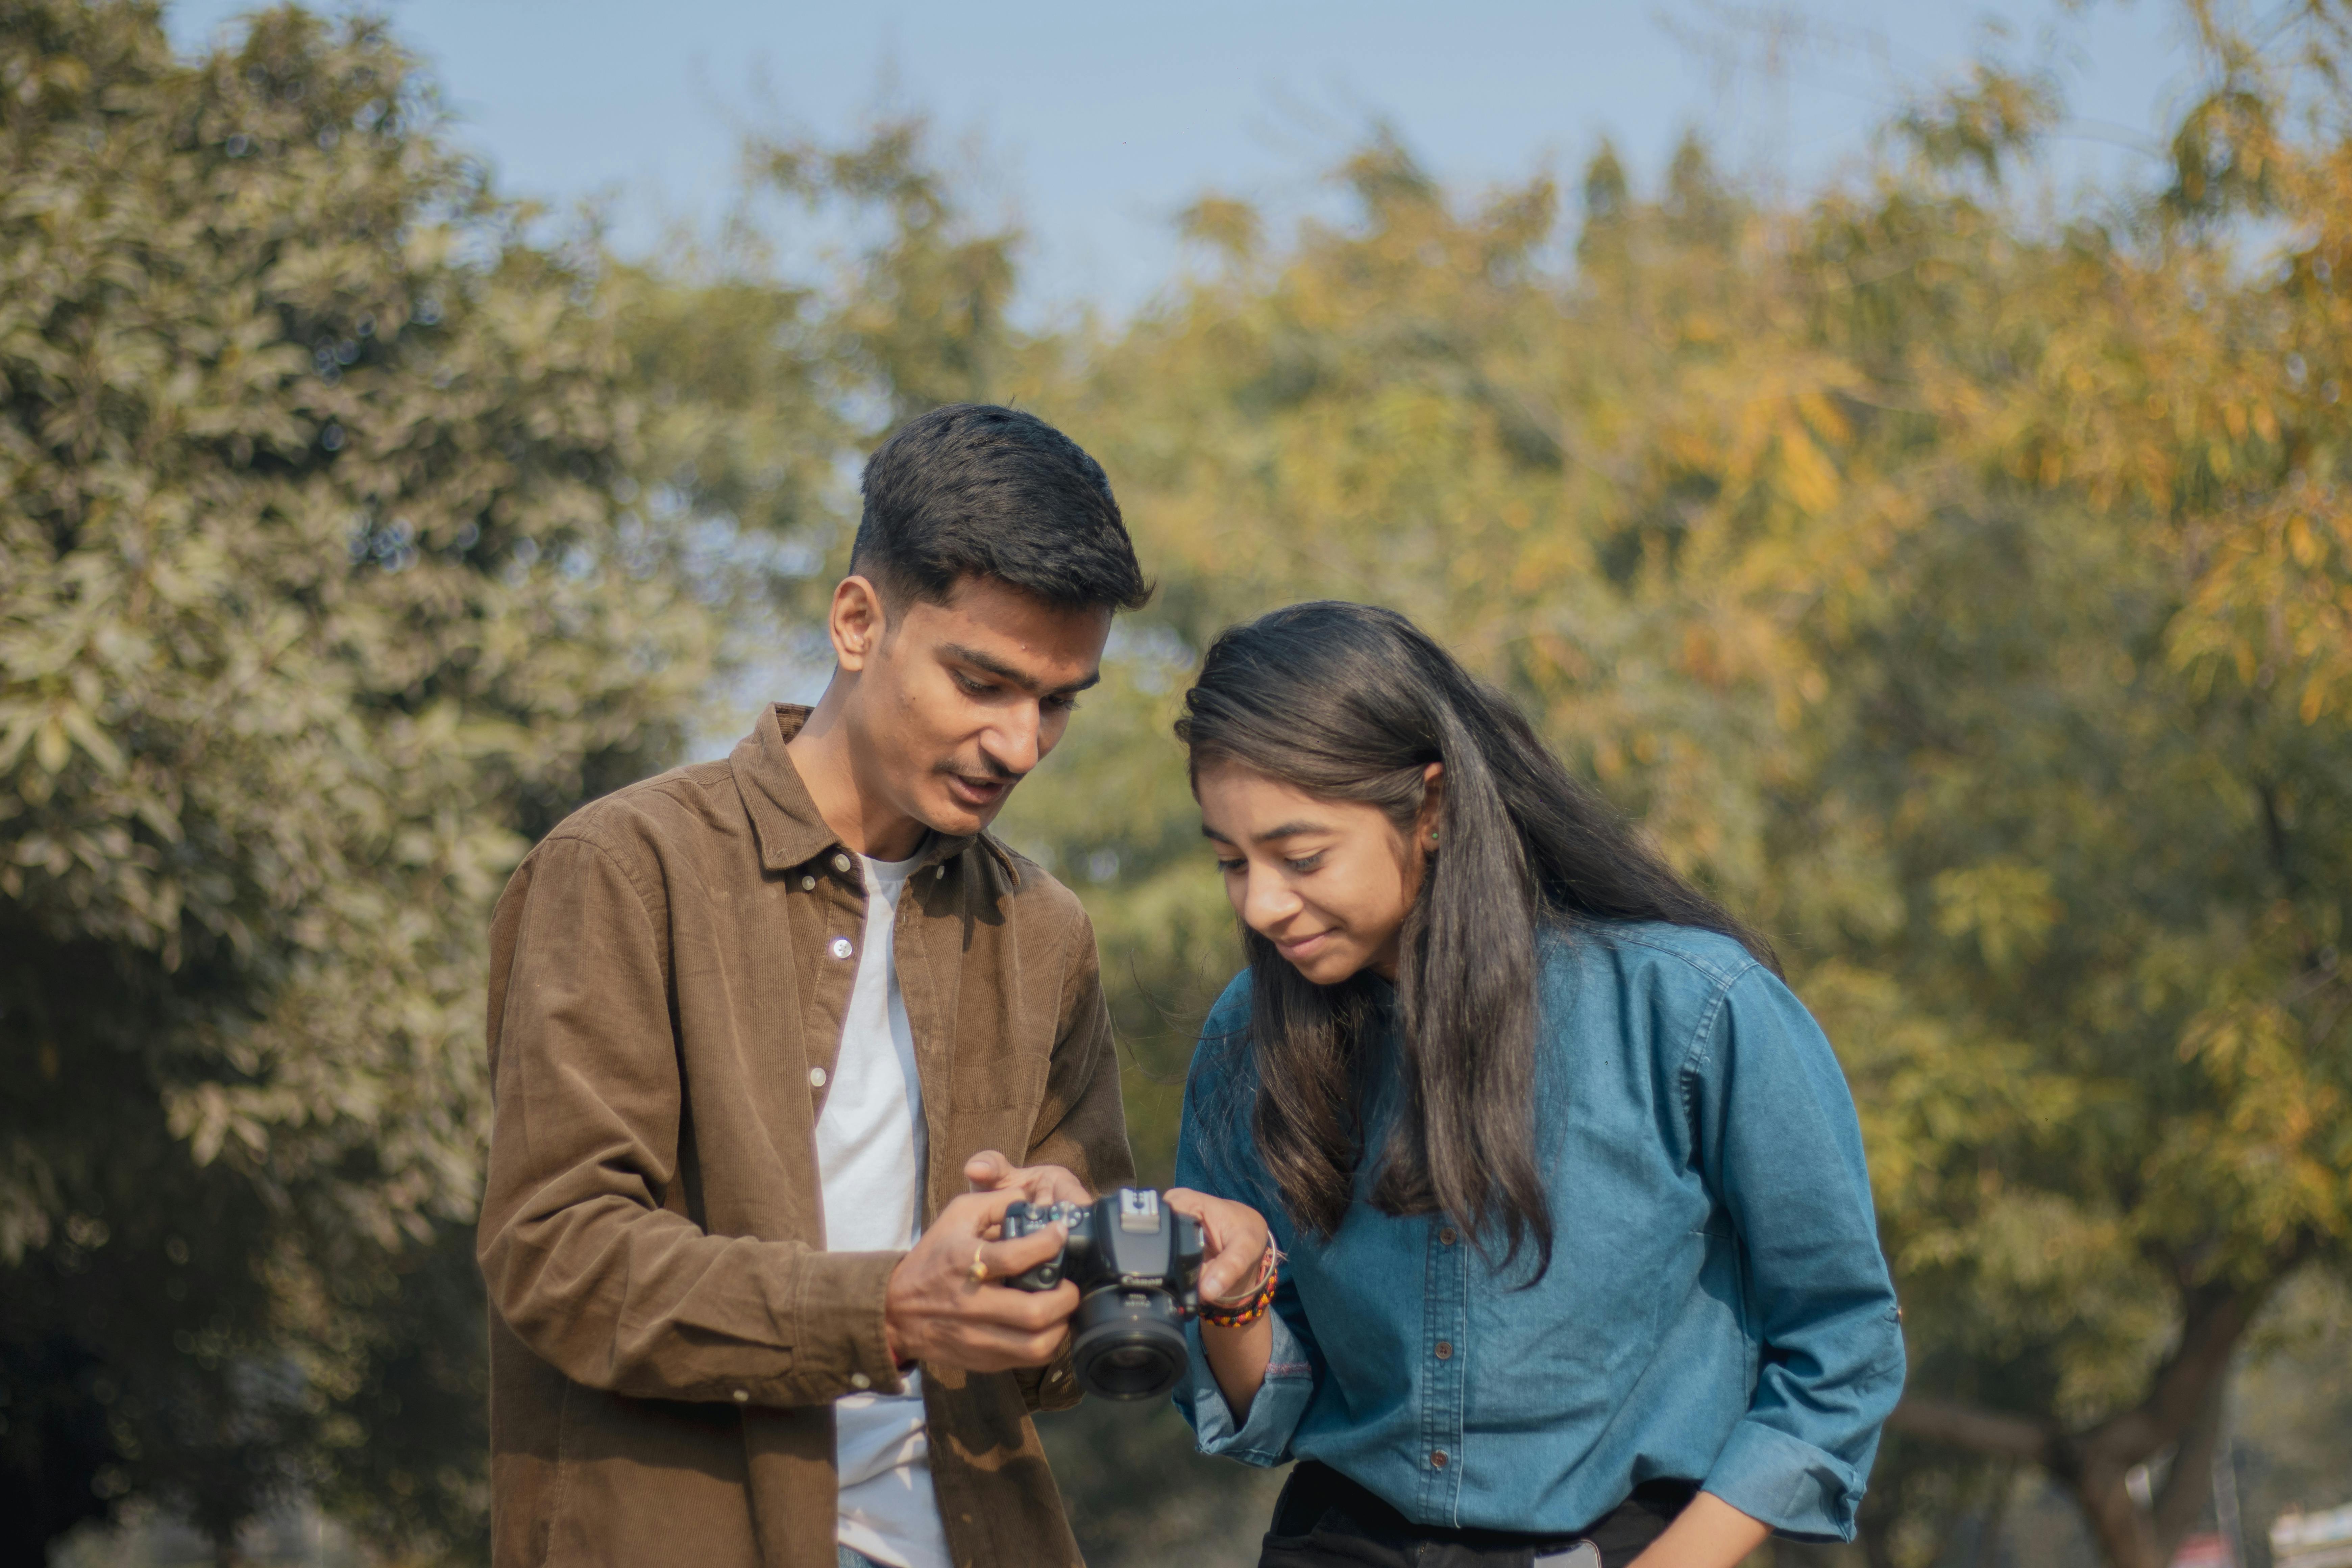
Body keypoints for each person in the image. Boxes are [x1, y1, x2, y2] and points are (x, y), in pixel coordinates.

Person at [476, 404, 1251, 1568]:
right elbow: (559, 1256)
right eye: (981, 682)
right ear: (857, 621)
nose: (1019, 744)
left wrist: (1071, 1263)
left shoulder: (1044, 933)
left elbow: (1057, 1367)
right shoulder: (626, 871)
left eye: (1056, 702)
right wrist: (889, 1310)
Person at [1166, 601, 1908, 1568]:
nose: (1262, 904)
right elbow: (1273, 1411)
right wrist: (1231, 1299)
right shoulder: (1249, 1036)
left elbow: (1843, 1343)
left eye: (1301, 857)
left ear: (1430, 810)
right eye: (1232, 863)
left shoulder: (1692, 1011)